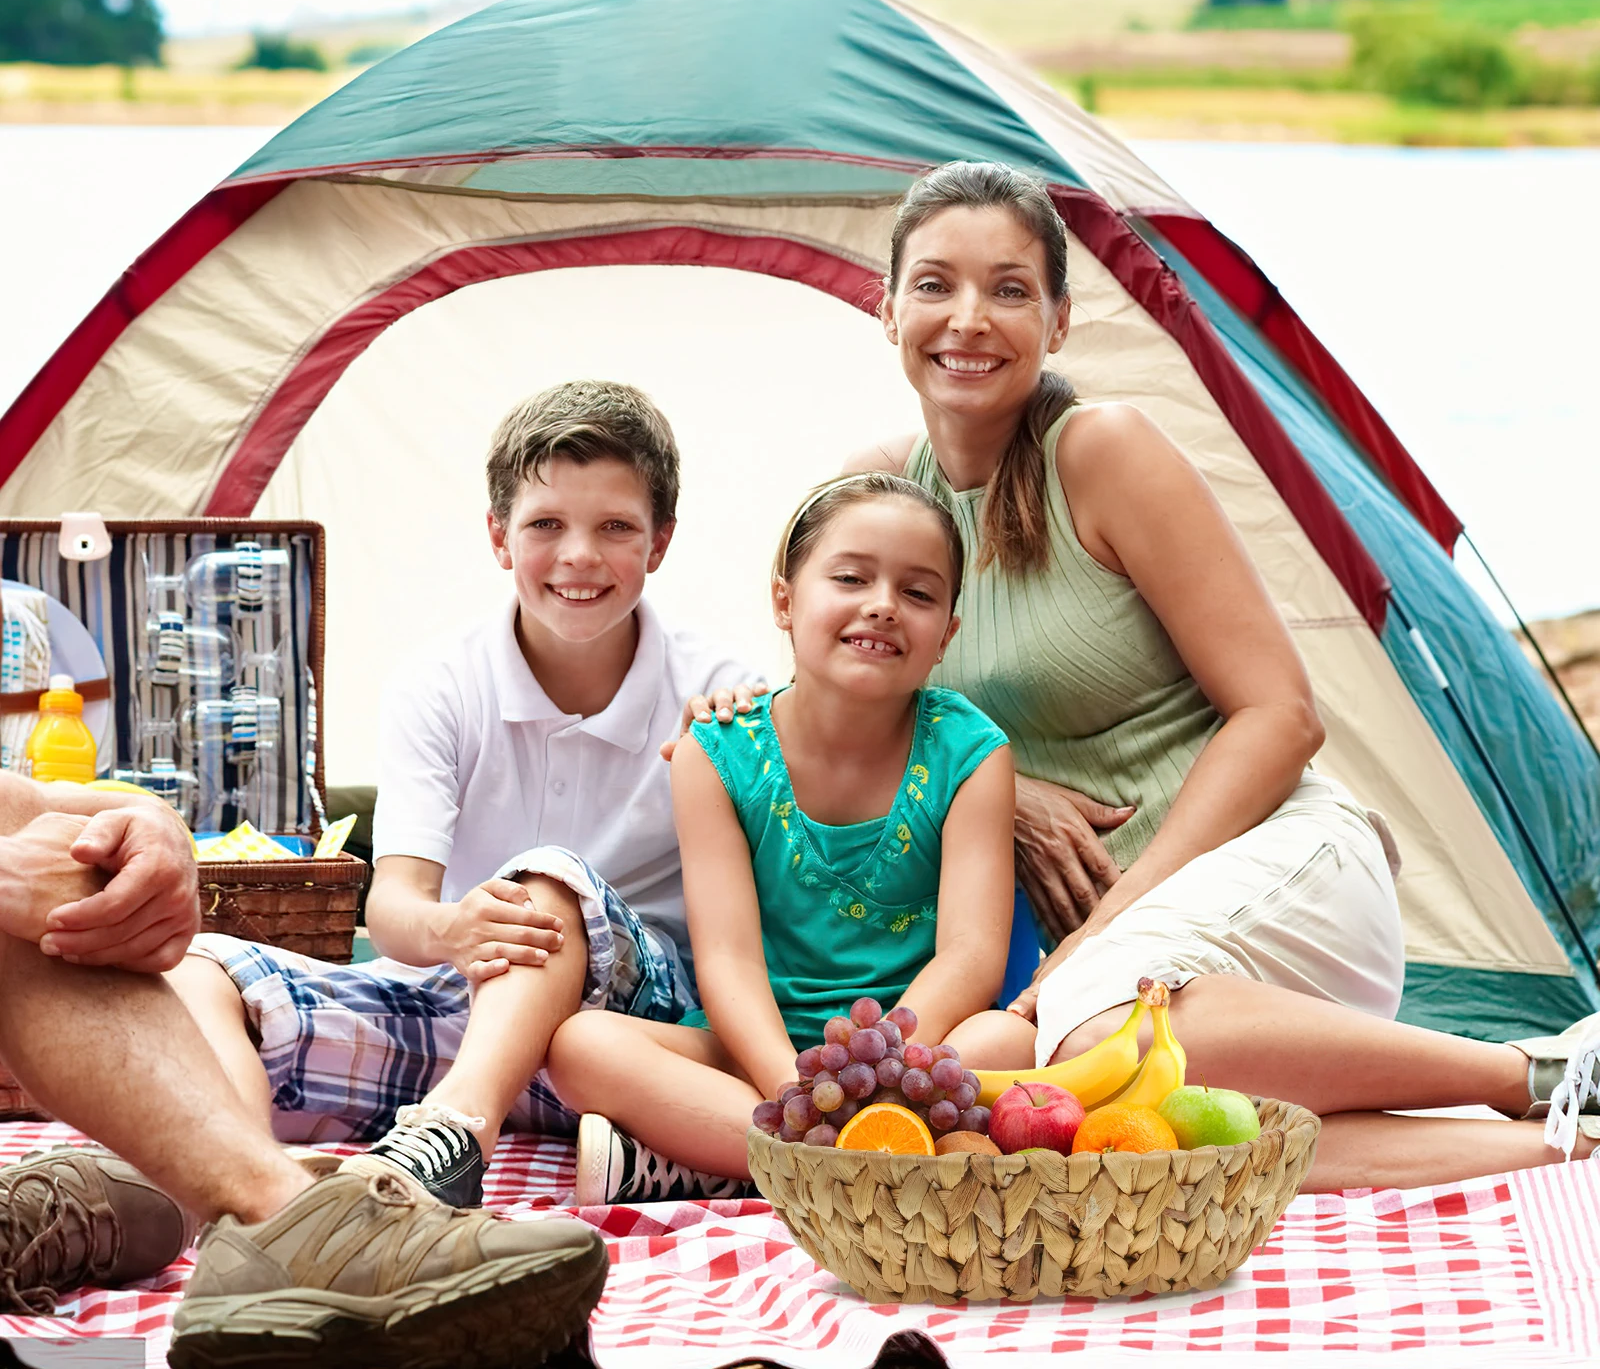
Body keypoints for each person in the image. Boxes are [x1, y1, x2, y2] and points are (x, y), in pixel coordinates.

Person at [842, 159, 1598, 1190]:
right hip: (1144, 966)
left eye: (1009, 288)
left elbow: (1281, 716)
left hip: (1275, 869)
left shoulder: (1104, 452)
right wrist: (1006, 792)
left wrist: (1100, 933)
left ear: (1058, 321)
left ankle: (1531, 1067)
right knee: (1133, 1132)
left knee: (1095, 1028)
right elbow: (846, 728)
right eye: (934, 284)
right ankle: (1559, 1140)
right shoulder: (878, 497)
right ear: (885, 309)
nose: (968, 318)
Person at [168, 381, 764, 1207]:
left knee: (549, 883)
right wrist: (453, 925)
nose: (579, 557)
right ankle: (244, 1194)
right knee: (201, 967)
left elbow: (786, 911)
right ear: (499, 537)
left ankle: (452, 1140)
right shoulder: (440, 686)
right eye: (546, 525)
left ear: (660, 543)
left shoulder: (722, 691)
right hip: (475, 1015)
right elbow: (396, 911)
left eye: (616, 528)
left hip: (631, 1039)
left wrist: (762, 746)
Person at [0, 770, 606, 1366]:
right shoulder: (457, 681)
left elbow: (42, 805)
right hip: (445, 997)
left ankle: (220, 1201)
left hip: (573, 1009)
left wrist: (154, 831)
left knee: (67, 855)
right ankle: (282, 1210)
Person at [546, 473, 1018, 1203]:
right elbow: (728, 962)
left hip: (912, 1050)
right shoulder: (715, 754)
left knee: (1008, 1043)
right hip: (752, 1054)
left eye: (919, 594)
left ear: (947, 634)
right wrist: (793, 1088)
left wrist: (883, 1061)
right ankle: (846, 1153)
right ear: (784, 602)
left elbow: (973, 954)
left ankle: (733, 1160)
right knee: (582, 1047)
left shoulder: (973, 753)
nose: (883, 605)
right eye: (852, 577)